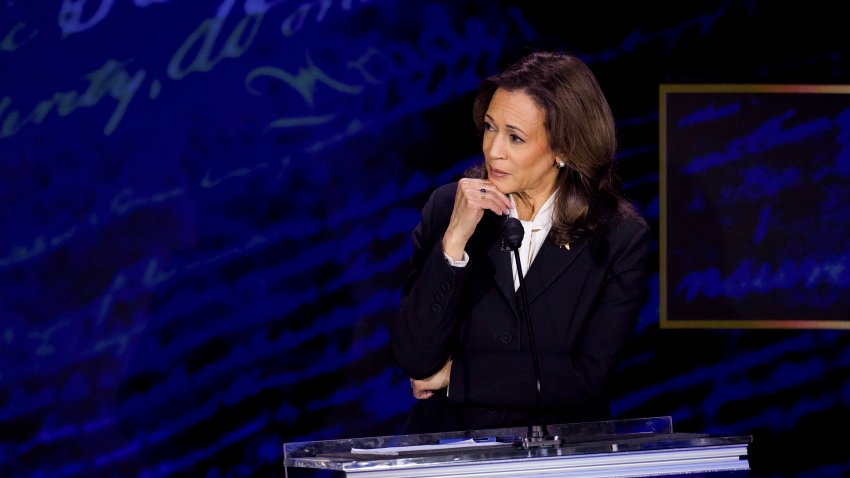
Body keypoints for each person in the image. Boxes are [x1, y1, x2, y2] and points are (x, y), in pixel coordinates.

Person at [390, 50, 651, 434]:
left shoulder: (617, 237)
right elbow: (414, 357)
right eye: (490, 128)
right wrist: (455, 240)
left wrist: (460, 377)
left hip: (557, 457)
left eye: (515, 137)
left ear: (563, 149)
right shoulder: (448, 207)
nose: (494, 150)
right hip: (450, 451)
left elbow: (584, 377)